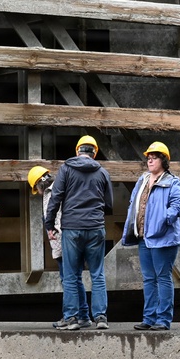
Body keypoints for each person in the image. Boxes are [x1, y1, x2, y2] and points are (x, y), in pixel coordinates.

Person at [44, 135, 113, 330]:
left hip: (72, 229)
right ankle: (100, 318)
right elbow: (109, 204)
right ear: (95, 152)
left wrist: (50, 224)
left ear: (77, 151)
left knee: (72, 274)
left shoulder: (66, 169)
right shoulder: (102, 173)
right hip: (95, 228)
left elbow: (55, 199)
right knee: (97, 274)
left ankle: (71, 318)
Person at [121, 142, 180, 330]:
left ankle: (163, 320)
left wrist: (163, 221)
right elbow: (133, 203)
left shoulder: (172, 182)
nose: (149, 159)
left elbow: (178, 207)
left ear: (164, 161)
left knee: (163, 277)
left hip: (163, 238)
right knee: (149, 278)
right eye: (148, 156)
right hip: (144, 238)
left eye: (154, 156)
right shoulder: (142, 180)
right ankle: (149, 319)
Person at [27, 165, 91, 327]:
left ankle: (70, 316)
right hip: (69, 241)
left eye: (35, 188)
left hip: (65, 242)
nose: (37, 192)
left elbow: (58, 219)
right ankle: (83, 316)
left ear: (39, 183)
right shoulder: (60, 188)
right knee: (75, 279)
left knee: (68, 280)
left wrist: (61, 245)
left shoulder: (52, 192)